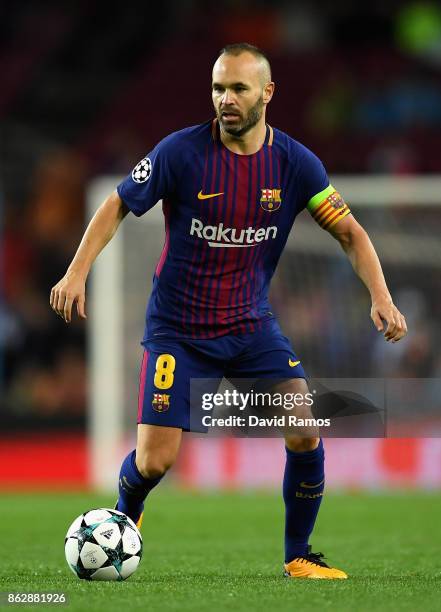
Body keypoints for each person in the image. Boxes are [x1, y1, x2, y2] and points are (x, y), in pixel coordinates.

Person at [50, 43, 407, 579]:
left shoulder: (294, 163)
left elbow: (350, 233)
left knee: (305, 429)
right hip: (178, 331)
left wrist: (380, 295)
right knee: (154, 462)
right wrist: (77, 271)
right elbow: (118, 202)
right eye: (218, 88)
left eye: (238, 88)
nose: (226, 99)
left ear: (267, 92)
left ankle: (298, 555)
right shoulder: (180, 152)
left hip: (249, 326)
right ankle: (125, 518)